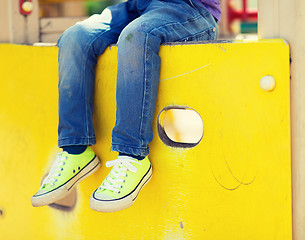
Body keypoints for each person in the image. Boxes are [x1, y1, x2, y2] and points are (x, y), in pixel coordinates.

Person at [31, 0, 220, 212]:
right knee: (74, 38)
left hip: (188, 9)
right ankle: (75, 150)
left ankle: (133, 156)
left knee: (136, 36)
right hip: (139, 6)